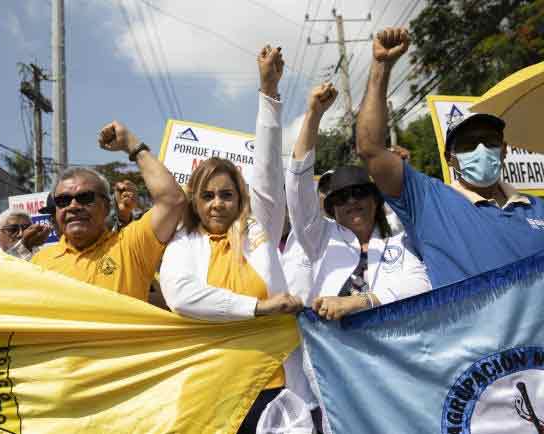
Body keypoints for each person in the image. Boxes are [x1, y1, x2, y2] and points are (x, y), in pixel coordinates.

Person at [160, 45, 302, 434]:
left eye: (227, 194)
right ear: (195, 200)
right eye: (207, 195)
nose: (218, 204)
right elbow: (182, 296)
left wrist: (268, 92)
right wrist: (260, 308)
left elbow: (269, 171)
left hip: (273, 385)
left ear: (241, 198)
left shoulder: (258, 231)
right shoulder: (182, 243)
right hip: (211, 387)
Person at [355, 27, 544, 288]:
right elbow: (370, 147)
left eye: (490, 141)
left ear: (504, 151)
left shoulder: (537, 208)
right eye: (468, 144)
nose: (481, 149)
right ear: (451, 159)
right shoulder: (427, 202)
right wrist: (381, 67)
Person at [286, 82, 432, 320]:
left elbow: (420, 286)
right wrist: (313, 115)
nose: (352, 201)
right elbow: (298, 187)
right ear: (332, 209)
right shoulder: (319, 237)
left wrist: (357, 303)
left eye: (360, 193)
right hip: (331, 353)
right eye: (342, 198)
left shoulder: (400, 240)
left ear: (375, 200)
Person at [31, 121, 186, 302]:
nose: (73, 206)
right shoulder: (39, 262)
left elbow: (172, 199)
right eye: (63, 201)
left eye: (85, 197)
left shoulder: (131, 246)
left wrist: (131, 145)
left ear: (106, 206)